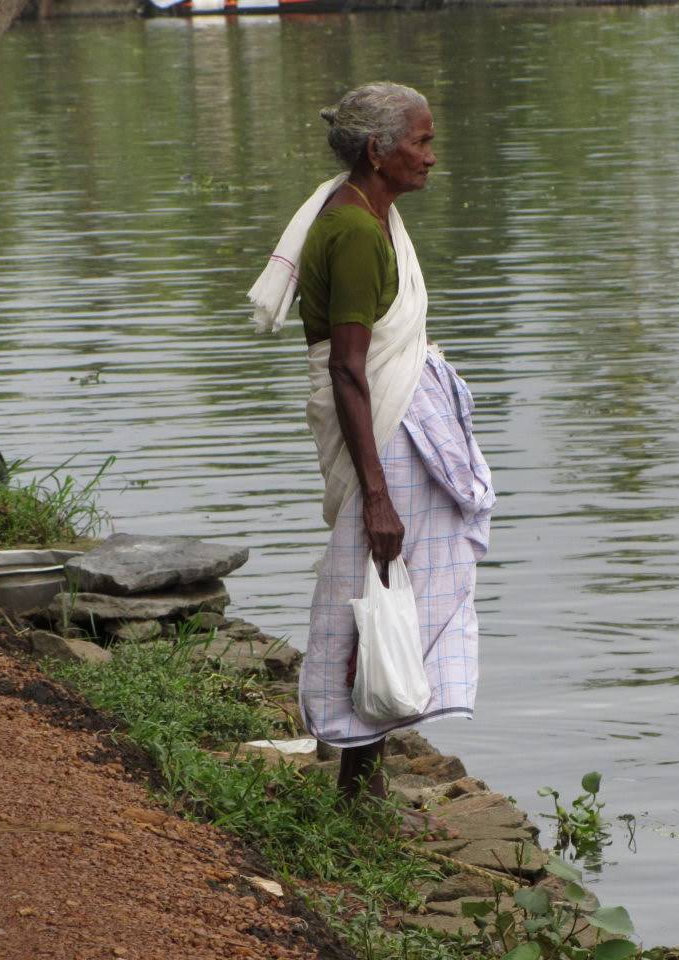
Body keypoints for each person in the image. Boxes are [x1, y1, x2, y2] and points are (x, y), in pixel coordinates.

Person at [247, 82, 495, 837]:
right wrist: (379, 495)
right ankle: (357, 788)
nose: (430, 153)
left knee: (387, 591)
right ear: (376, 151)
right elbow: (352, 370)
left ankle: (365, 780)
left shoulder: (368, 213)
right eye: (419, 141)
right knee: (374, 592)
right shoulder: (354, 232)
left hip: (388, 429)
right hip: (379, 434)